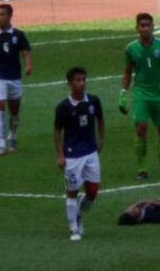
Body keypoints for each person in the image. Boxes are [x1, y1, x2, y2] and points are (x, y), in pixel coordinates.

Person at [119, 13, 160, 180]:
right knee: (141, 129)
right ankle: (142, 167)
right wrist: (123, 94)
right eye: (142, 25)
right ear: (137, 28)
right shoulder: (130, 49)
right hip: (141, 95)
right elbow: (127, 72)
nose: (145, 28)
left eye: (148, 25)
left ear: (153, 26)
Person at [54, 67, 105, 241]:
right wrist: (60, 155)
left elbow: (100, 120)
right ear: (69, 84)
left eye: (83, 79)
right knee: (72, 191)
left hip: (91, 152)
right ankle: (74, 228)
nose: (82, 83)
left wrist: (101, 139)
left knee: (93, 192)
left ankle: (78, 212)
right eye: (77, 80)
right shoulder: (63, 107)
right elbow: (57, 131)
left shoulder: (94, 101)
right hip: (72, 156)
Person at [0, 3, 32, 156]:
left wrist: (28, 65)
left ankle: (12, 136)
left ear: (10, 16)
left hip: (14, 77)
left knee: (14, 112)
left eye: (2, 15)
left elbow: (25, 52)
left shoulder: (18, 35)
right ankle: (1, 144)